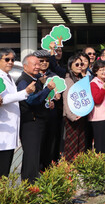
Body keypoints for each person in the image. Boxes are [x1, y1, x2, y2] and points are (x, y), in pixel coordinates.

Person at [16, 54, 55, 182]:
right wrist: (47, 89)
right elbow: (31, 100)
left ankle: (34, 181)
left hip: (38, 121)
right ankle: (29, 183)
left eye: (39, 64)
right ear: (25, 66)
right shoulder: (23, 81)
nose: (38, 67)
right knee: (31, 154)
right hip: (30, 123)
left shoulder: (35, 78)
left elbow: (39, 98)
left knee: (37, 153)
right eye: (35, 64)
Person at [0, 49, 35, 177]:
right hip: (3, 129)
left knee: (5, 168)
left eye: (12, 60)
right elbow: (3, 99)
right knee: (2, 168)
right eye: (7, 59)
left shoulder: (8, 76)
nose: (10, 62)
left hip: (10, 128)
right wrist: (25, 92)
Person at [34, 50, 62, 167]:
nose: (44, 63)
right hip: (37, 117)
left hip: (52, 116)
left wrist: (57, 97)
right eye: (41, 61)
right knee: (38, 145)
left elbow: (59, 93)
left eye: (46, 61)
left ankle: (49, 168)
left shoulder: (54, 76)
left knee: (51, 143)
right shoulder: (32, 76)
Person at [61, 54, 89, 160]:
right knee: (71, 143)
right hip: (72, 116)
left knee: (81, 142)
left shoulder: (82, 78)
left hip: (82, 115)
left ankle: (79, 165)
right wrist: (72, 116)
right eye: (76, 64)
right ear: (70, 65)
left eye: (81, 64)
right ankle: (70, 167)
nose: (79, 66)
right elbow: (66, 100)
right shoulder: (68, 80)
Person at [89, 60, 105, 154]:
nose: (104, 72)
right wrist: (103, 87)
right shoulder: (94, 83)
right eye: (101, 70)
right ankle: (101, 166)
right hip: (98, 118)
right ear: (95, 71)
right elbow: (97, 100)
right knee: (101, 145)